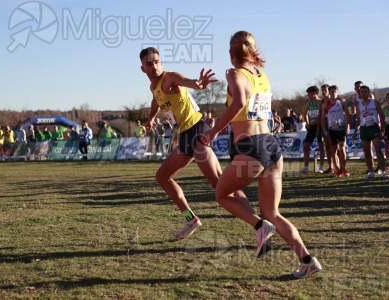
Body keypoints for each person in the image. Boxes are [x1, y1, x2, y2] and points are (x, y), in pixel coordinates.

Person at [201, 31, 321, 278]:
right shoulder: (261, 75)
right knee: (272, 212)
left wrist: (213, 131)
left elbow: (237, 104)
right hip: (271, 148)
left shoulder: (235, 74)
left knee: (221, 193)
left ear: (231, 54)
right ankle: (307, 259)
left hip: (251, 149)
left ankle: (258, 225)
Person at [139, 46, 258, 244]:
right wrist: (151, 119)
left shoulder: (170, 77)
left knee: (219, 183)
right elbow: (155, 102)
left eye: (157, 62)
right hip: (185, 136)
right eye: (149, 64)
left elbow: (189, 82)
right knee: (162, 177)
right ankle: (190, 219)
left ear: (162, 63)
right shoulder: (154, 87)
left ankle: (259, 223)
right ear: (143, 68)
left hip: (197, 130)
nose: (154, 66)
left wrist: (199, 84)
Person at [352, 86, 389, 180]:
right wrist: (355, 131)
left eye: (365, 91)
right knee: (366, 152)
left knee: (378, 150)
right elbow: (358, 119)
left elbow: (382, 115)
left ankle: (383, 172)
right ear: (360, 94)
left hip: (374, 128)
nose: (363, 93)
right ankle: (371, 172)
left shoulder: (375, 102)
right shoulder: (359, 105)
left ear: (369, 93)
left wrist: (382, 129)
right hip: (364, 129)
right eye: (361, 92)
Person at [321, 85, 351, 177]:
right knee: (333, 150)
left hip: (341, 128)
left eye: (335, 92)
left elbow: (347, 115)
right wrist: (325, 129)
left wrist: (348, 127)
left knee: (342, 149)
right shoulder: (325, 104)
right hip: (332, 129)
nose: (333, 94)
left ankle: (344, 168)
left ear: (337, 92)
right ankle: (337, 170)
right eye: (331, 92)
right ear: (329, 93)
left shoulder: (342, 102)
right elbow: (322, 118)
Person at [299, 86, 325, 174]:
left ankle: (321, 167)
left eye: (309, 93)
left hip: (320, 126)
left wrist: (318, 123)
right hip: (312, 127)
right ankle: (306, 167)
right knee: (306, 146)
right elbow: (304, 113)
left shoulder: (320, 102)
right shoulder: (308, 103)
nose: (308, 95)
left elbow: (322, 114)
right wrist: (307, 123)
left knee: (321, 146)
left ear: (314, 93)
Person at [321, 84, 334, 173]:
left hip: (334, 125)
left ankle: (339, 166)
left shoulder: (334, 100)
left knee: (335, 147)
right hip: (325, 125)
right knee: (328, 147)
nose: (323, 92)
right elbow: (320, 116)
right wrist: (320, 127)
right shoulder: (322, 102)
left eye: (325, 90)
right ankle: (331, 167)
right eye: (322, 90)